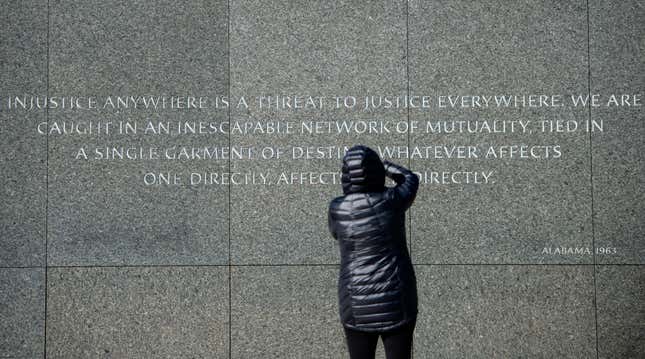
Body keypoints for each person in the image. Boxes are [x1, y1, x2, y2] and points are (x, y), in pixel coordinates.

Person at [328, 144, 420, 359]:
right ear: (375, 170)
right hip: (397, 299)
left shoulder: (337, 208)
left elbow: (335, 234)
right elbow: (409, 179)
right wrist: (385, 165)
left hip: (355, 301)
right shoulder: (392, 200)